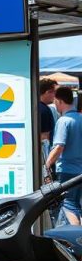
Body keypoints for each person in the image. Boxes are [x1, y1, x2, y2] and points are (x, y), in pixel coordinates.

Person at [47, 86, 82, 225]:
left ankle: (76, 238)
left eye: (55, 101)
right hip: (80, 170)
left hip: (67, 170)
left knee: (69, 204)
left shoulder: (63, 121)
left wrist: (47, 164)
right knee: (77, 204)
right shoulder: (80, 118)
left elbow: (59, 146)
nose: (54, 104)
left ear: (60, 101)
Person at [38, 78, 58, 170]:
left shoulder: (34, 106)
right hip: (43, 158)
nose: (55, 95)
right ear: (47, 92)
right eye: (54, 92)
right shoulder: (44, 110)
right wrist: (48, 164)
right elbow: (44, 138)